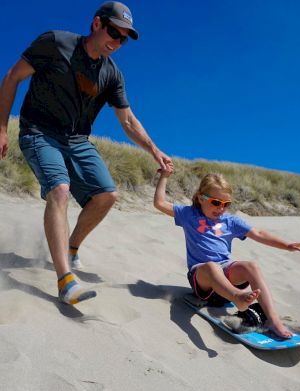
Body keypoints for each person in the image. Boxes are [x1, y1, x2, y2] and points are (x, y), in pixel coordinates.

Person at [0, 2, 173, 305]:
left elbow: (128, 121)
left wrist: (154, 150)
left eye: (123, 38)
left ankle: (71, 248)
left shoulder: (111, 74)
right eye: (113, 32)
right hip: (38, 131)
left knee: (107, 196)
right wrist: (2, 127)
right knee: (59, 189)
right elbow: (13, 76)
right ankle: (66, 280)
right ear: (96, 24)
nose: (116, 42)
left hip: (78, 140)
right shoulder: (55, 43)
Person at [154, 171, 300, 338]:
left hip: (225, 276)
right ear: (201, 198)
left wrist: (286, 245)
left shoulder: (230, 221)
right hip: (202, 278)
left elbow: (258, 233)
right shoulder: (189, 214)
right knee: (212, 266)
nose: (221, 208)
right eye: (216, 202)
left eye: (226, 204)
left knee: (251, 266)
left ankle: (274, 321)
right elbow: (159, 203)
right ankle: (238, 298)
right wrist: (164, 176)